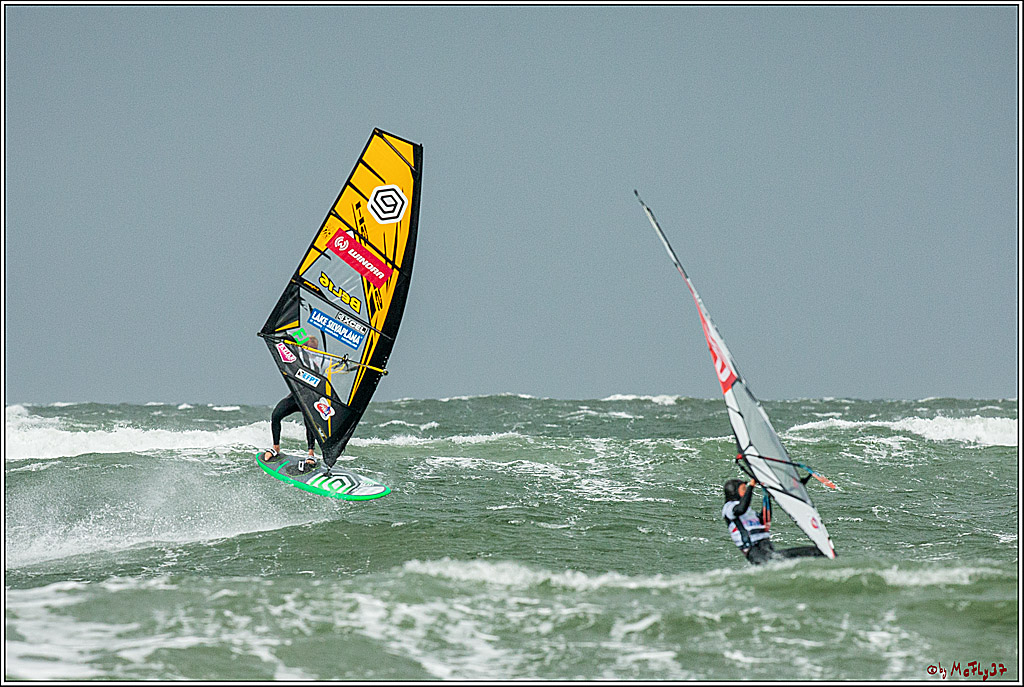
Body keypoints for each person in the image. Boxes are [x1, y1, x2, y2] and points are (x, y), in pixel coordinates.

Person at [722, 477, 825, 565]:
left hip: (765, 546)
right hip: (754, 550)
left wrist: (767, 497)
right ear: (734, 492)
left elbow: (764, 519)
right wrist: (751, 486)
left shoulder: (748, 512)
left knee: (815, 552)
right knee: (773, 562)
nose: (745, 492)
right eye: (743, 489)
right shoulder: (729, 508)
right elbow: (741, 509)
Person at [264, 335, 323, 472]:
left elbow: (339, 367)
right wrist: (276, 337)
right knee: (276, 415)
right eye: (309, 347)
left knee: (309, 422)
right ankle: (276, 448)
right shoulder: (296, 356)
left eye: (314, 348)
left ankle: (311, 454)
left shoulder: (320, 361)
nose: (312, 350)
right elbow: (289, 340)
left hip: (310, 398)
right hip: (295, 396)